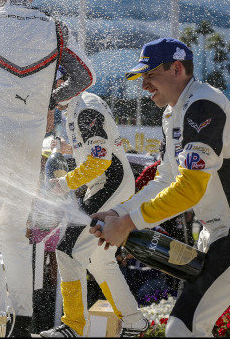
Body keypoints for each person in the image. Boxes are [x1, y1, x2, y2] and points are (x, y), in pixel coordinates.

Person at [90, 38, 230, 337]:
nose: (144, 86)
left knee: (181, 328)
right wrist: (117, 211)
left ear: (177, 68)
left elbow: (190, 190)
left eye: (149, 75)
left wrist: (127, 223)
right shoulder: (173, 112)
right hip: (217, 231)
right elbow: (165, 179)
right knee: (189, 327)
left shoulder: (204, 105)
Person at [0, 0, 95, 335]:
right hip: (30, 146)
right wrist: (50, 98)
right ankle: (23, 318)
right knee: (14, 231)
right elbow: (85, 77)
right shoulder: (56, 27)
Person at [39, 86, 147, 337]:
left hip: (111, 183)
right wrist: (71, 150)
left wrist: (64, 183)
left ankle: (74, 326)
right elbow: (98, 153)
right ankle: (134, 322)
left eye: (50, 89)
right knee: (100, 260)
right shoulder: (80, 105)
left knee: (66, 249)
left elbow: (101, 161)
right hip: (108, 183)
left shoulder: (85, 109)